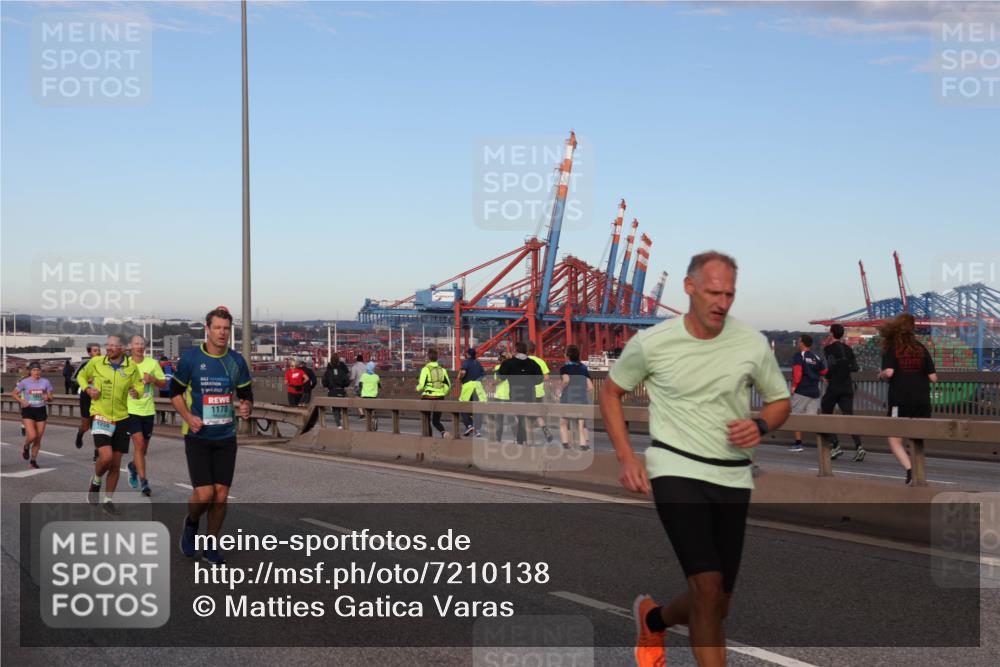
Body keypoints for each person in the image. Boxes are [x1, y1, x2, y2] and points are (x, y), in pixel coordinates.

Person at [598, 251, 790, 667]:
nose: (721, 302)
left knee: (718, 603)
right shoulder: (653, 342)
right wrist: (627, 457)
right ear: (689, 287)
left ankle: (653, 619)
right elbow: (610, 392)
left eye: (729, 294)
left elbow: (780, 400)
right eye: (713, 293)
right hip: (675, 468)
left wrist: (760, 424)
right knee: (706, 589)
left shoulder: (751, 343)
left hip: (733, 475)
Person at [172, 306, 253, 564]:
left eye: (226, 328)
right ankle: (192, 521)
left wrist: (246, 406)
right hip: (198, 436)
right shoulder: (191, 359)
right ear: (207, 329)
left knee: (221, 494)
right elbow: (174, 393)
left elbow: (246, 394)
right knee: (205, 494)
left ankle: (210, 544)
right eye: (217, 327)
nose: (222, 333)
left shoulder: (236, 361)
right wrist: (188, 417)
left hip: (225, 437)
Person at [77, 335, 145, 514]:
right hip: (101, 415)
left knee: (115, 464)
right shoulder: (97, 362)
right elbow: (81, 376)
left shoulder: (131, 367)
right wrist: (88, 389)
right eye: (108, 345)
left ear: (122, 348)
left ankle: (108, 501)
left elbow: (139, 385)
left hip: (122, 418)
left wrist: (137, 392)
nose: (109, 348)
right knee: (106, 457)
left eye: (114, 345)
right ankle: (96, 480)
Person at [877, 313, 937, 485]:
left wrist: (880, 375)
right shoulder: (921, 348)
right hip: (922, 400)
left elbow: (889, 372)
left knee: (894, 439)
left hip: (900, 399)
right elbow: (933, 378)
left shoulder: (892, 348)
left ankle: (911, 470)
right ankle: (919, 472)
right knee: (916, 438)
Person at [125, 335, 167, 497]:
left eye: (142, 344)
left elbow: (164, 384)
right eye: (136, 344)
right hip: (131, 410)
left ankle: (133, 466)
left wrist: (152, 379)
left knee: (143, 450)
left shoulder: (152, 363)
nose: (139, 347)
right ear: (131, 346)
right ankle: (144, 482)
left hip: (148, 411)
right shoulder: (125, 365)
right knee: (139, 444)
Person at [821, 324, 865, 461]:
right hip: (847, 386)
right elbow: (855, 367)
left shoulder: (828, 349)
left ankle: (835, 445)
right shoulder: (848, 349)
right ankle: (859, 447)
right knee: (849, 417)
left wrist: (827, 377)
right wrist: (844, 367)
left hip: (834, 386)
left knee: (826, 413)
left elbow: (832, 365)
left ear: (831, 333)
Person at [498, 342, 544, 445]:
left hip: (515, 394)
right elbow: (540, 379)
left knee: (519, 416)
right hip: (529, 394)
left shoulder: (508, 363)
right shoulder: (533, 363)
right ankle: (525, 440)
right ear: (526, 351)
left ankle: (520, 440)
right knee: (525, 417)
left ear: (515, 350)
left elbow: (502, 377)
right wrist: (530, 382)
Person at [789, 334, 826, 452]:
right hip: (814, 392)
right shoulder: (816, 357)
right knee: (812, 419)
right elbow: (824, 371)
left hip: (802, 391)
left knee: (796, 417)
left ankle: (798, 444)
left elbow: (798, 373)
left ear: (802, 343)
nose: (798, 342)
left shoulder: (799, 356)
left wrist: (794, 386)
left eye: (799, 341)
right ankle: (824, 443)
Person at [13, 362, 55, 469]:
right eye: (34, 370)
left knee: (38, 438)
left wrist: (48, 397)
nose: (36, 372)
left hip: (41, 410)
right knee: (32, 435)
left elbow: (51, 397)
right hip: (28, 410)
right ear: (30, 371)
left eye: (38, 370)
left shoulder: (45, 382)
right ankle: (26, 446)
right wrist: (22, 401)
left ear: (40, 371)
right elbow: (14, 393)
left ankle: (33, 460)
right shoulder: (24, 382)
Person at [558, 345, 593, 451]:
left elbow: (566, 380)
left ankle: (566, 445)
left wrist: (559, 389)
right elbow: (590, 387)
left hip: (567, 399)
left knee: (563, 422)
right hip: (581, 399)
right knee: (581, 425)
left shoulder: (564, 368)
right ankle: (584, 446)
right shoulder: (583, 368)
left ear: (567, 356)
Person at [416, 348, 451, 437]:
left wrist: (417, 388)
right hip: (440, 397)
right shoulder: (442, 370)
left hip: (427, 397)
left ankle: (429, 438)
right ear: (437, 358)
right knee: (436, 420)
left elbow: (422, 385)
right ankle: (443, 432)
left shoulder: (425, 369)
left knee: (426, 420)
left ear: (428, 357)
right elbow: (448, 385)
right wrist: (443, 392)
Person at [73, 343, 102, 450]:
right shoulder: (85, 364)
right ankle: (80, 434)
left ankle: (97, 452)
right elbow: (74, 378)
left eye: (99, 350)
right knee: (85, 426)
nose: (98, 352)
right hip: (86, 396)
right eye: (95, 351)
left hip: (100, 396)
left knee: (97, 426)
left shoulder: (105, 363)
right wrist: (87, 381)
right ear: (89, 353)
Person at [526, 341, 555, 443]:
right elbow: (547, 377)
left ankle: (528, 440)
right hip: (539, 392)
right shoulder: (540, 361)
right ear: (534, 350)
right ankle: (545, 429)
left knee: (523, 415)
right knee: (537, 414)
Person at [458, 348, 486, 438]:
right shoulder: (478, 363)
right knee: (477, 409)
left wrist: (460, 378)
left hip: (468, 388)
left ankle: (469, 425)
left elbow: (463, 372)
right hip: (478, 388)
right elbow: (483, 376)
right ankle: (477, 429)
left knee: (463, 407)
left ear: (468, 354)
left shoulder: (466, 362)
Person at [322, 353, 351, 428]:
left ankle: (339, 425)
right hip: (341, 391)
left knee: (335, 409)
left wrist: (328, 385)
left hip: (332, 391)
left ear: (331, 362)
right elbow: (347, 382)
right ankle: (343, 421)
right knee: (342, 407)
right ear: (338, 362)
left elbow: (324, 383)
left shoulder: (328, 372)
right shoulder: (342, 371)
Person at [492, 350, 511, 442]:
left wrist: (492, 384)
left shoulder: (497, 368)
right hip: (510, 395)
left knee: (499, 419)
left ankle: (498, 438)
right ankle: (518, 438)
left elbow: (498, 380)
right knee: (512, 417)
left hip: (499, 395)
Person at [359, 361, 381, 431]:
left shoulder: (363, 376)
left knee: (367, 409)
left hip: (365, 395)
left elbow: (360, 385)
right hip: (373, 395)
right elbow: (379, 386)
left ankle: (369, 423)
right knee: (372, 408)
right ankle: (373, 418)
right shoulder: (376, 376)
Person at [350, 354, 368, 419]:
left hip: (358, 385)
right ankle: (368, 413)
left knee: (357, 399)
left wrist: (348, 380)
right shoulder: (366, 366)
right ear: (362, 359)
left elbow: (352, 377)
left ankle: (362, 414)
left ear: (356, 360)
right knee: (366, 399)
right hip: (366, 385)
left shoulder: (354, 367)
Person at [158, 356, 175, 424]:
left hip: (162, 389)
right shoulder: (171, 367)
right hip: (171, 389)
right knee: (171, 405)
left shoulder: (160, 367)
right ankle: (172, 420)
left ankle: (163, 419)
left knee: (162, 405)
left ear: (161, 361)